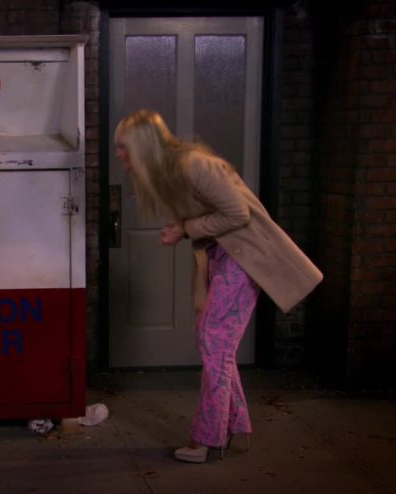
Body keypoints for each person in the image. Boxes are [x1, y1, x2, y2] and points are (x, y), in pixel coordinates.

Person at [113, 110, 323, 463]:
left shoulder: (195, 165)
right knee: (215, 341)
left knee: (214, 342)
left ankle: (208, 439)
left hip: (244, 259)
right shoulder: (170, 175)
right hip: (221, 257)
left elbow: (237, 214)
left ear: (143, 145)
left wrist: (186, 228)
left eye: (124, 146)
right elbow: (202, 222)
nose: (120, 154)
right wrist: (180, 229)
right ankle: (234, 423)